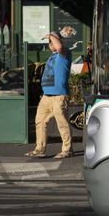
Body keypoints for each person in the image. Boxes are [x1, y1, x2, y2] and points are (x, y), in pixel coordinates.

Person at [25, 31, 73, 159]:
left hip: (59, 96)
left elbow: (60, 47)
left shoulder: (64, 53)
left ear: (58, 41)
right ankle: (40, 148)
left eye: (52, 41)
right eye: (49, 42)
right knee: (39, 121)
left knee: (62, 123)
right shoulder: (52, 56)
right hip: (46, 95)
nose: (50, 44)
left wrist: (51, 35)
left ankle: (67, 149)